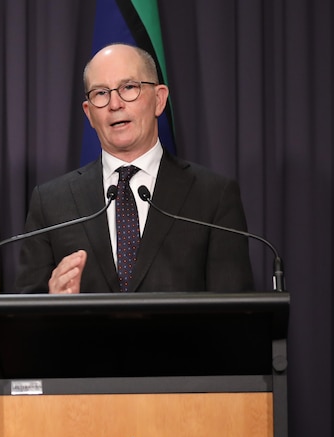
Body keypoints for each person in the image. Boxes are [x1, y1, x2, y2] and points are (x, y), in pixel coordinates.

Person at [16, 43, 254, 294]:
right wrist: (51, 306)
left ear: (159, 99)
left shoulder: (213, 197)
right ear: (89, 113)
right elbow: (22, 322)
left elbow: (235, 315)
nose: (115, 104)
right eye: (100, 93)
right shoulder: (51, 203)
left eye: (129, 87)